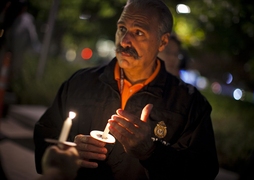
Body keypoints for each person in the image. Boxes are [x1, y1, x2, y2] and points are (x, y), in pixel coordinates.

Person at [34, 0, 219, 179]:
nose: (124, 41)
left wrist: (152, 152)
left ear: (162, 42)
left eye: (138, 32)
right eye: (122, 29)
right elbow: (44, 135)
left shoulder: (189, 104)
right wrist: (70, 149)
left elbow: (202, 171)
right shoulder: (81, 83)